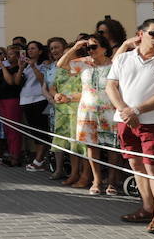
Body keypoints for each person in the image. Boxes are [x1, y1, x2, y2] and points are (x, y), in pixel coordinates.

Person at [105, 18, 154, 235]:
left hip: (153, 121)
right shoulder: (124, 58)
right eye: (153, 33)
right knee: (135, 164)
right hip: (125, 121)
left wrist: (136, 111)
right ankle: (147, 207)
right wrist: (125, 110)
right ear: (140, 34)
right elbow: (111, 86)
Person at [65, 34, 118, 195]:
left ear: (104, 48)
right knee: (91, 145)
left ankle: (112, 181)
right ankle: (96, 181)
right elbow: (62, 64)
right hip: (87, 110)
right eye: (88, 47)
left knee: (112, 147)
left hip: (109, 110)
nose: (90, 50)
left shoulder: (114, 64)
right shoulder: (84, 63)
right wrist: (75, 48)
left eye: (94, 47)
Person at [54, 36, 87, 186]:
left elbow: (89, 92)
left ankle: (85, 175)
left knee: (83, 146)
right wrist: (57, 95)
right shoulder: (66, 69)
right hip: (65, 110)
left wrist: (68, 97)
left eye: (70, 54)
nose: (65, 58)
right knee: (72, 145)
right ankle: (74, 173)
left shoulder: (84, 68)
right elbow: (60, 65)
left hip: (80, 109)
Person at [21, 41, 52, 172]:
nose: (30, 51)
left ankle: (39, 160)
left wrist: (34, 66)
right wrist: (21, 67)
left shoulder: (44, 64)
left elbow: (42, 81)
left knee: (41, 130)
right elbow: (18, 81)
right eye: (28, 49)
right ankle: (40, 159)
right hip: (25, 100)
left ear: (40, 51)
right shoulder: (25, 65)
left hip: (39, 99)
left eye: (33, 49)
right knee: (34, 132)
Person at [0, 45, 24, 166]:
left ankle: (15, 156)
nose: (7, 56)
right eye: (8, 54)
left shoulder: (17, 68)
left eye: (11, 54)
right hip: (2, 99)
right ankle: (11, 154)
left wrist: (2, 67)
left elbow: (11, 82)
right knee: (7, 130)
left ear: (17, 56)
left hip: (12, 99)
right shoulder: (2, 69)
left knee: (13, 129)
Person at [43, 37, 70, 179]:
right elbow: (45, 87)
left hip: (71, 105)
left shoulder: (72, 64)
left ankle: (74, 170)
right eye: (51, 48)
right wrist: (51, 99)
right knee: (57, 138)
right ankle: (59, 169)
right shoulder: (50, 67)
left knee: (72, 139)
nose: (54, 51)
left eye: (57, 47)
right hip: (55, 107)